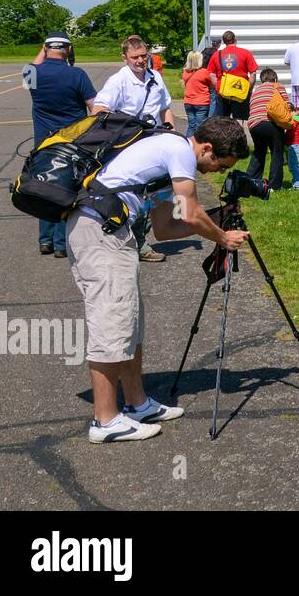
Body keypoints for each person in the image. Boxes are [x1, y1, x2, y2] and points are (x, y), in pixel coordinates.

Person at [66, 116, 249, 442]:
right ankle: (105, 421)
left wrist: (218, 216)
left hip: (111, 232)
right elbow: (191, 213)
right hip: (100, 231)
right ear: (207, 148)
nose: (217, 172)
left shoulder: (169, 163)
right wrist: (222, 237)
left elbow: (166, 229)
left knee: (129, 322)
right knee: (111, 323)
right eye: (220, 164)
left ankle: (137, 403)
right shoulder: (178, 150)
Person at [92, 35, 177, 263]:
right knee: (133, 195)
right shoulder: (118, 81)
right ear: (124, 58)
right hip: (130, 147)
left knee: (156, 195)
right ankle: (135, 243)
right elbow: (99, 110)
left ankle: (141, 238)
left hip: (156, 143)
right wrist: (123, 127)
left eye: (143, 56)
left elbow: (165, 107)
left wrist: (172, 132)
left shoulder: (155, 76)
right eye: (135, 57)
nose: (140, 60)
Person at [27, 32, 96, 258]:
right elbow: (94, 106)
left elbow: (33, 66)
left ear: (46, 48)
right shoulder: (76, 74)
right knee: (65, 189)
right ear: (68, 49)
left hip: (43, 141)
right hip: (71, 142)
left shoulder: (32, 73)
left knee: (44, 187)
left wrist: (43, 48)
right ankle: (60, 243)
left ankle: (45, 240)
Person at [247, 69, 291, 191]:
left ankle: (251, 182)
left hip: (254, 125)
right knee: (277, 152)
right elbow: (286, 106)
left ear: (262, 79)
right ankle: (274, 185)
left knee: (259, 152)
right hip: (270, 123)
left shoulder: (256, 91)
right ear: (275, 79)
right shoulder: (277, 87)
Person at [205, 30, 258, 120]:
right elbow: (253, 73)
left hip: (223, 92)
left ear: (224, 41)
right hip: (240, 91)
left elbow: (211, 74)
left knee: (223, 121)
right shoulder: (245, 53)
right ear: (235, 40)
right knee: (240, 120)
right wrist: (249, 89)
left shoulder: (217, 54)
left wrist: (218, 87)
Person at [181, 50, 211, 137]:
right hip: (202, 102)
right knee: (199, 127)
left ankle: (188, 145)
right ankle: (197, 147)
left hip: (188, 102)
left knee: (191, 126)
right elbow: (211, 84)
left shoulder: (185, 72)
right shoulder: (204, 72)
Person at [200, 36, 221, 118]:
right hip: (211, 76)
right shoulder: (217, 53)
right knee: (213, 99)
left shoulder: (205, 50)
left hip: (202, 75)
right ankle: (210, 118)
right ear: (219, 44)